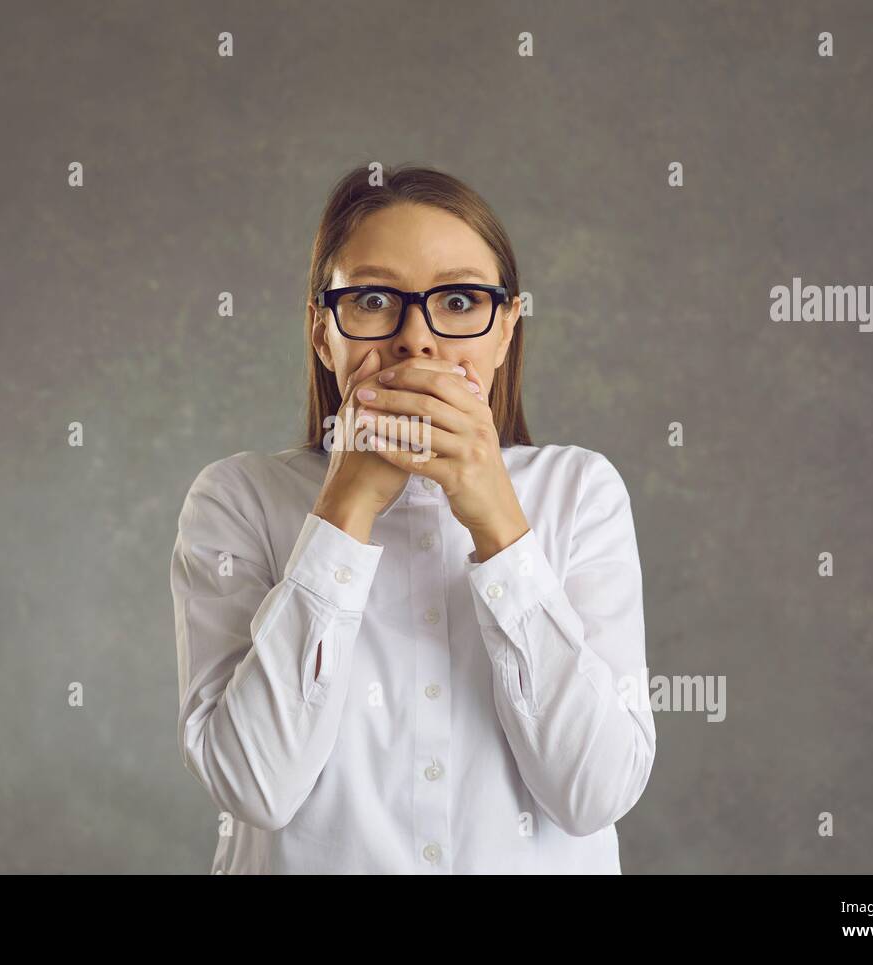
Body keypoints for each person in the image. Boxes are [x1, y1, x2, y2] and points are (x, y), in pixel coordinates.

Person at [171, 163, 655, 873]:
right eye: (373, 299)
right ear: (321, 331)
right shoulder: (236, 500)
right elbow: (254, 786)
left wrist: (498, 525)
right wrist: (344, 509)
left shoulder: (580, 492)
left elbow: (593, 792)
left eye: (459, 300)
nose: (416, 340)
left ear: (506, 330)